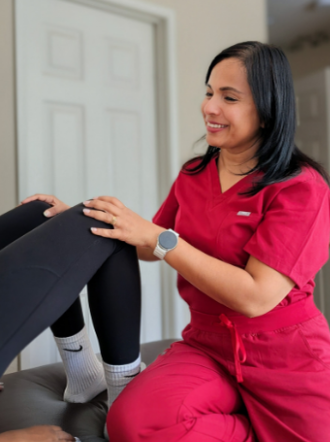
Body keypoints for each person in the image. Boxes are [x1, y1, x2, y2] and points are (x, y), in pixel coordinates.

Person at [1, 40, 330, 441]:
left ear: (267, 110)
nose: (209, 107)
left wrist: (159, 238)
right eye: (209, 92)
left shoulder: (301, 188)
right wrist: (81, 225)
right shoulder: (195, 173)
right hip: (207, 347)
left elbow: (256, 297)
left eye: (229, 97)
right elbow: (145, 245)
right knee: (130, 425)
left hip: (285, 355)